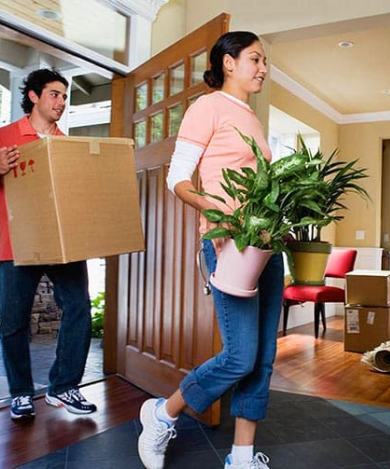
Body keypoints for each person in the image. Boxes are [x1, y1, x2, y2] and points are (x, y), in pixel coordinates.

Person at [138, 31, 282, 469]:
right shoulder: (208, 107)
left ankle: (241, 457)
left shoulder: (253, 118)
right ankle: (162, 414)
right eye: (255, 58)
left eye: (264, 61)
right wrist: (219, 212)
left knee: (262, 358)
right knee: (239, 356)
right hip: (227, 243)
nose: (263, 68)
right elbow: (178, 179)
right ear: (228, 63)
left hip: (265, 244)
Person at [0, 68, 97, 420]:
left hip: (62, 243)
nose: (62, 102)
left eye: (65, 96)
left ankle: (64, 386)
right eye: (55, 94)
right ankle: (21, 393)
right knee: (13, 321)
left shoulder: (66, 144)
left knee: (79, 308)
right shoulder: (3, 137)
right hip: (17, 244)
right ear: (34, 96)